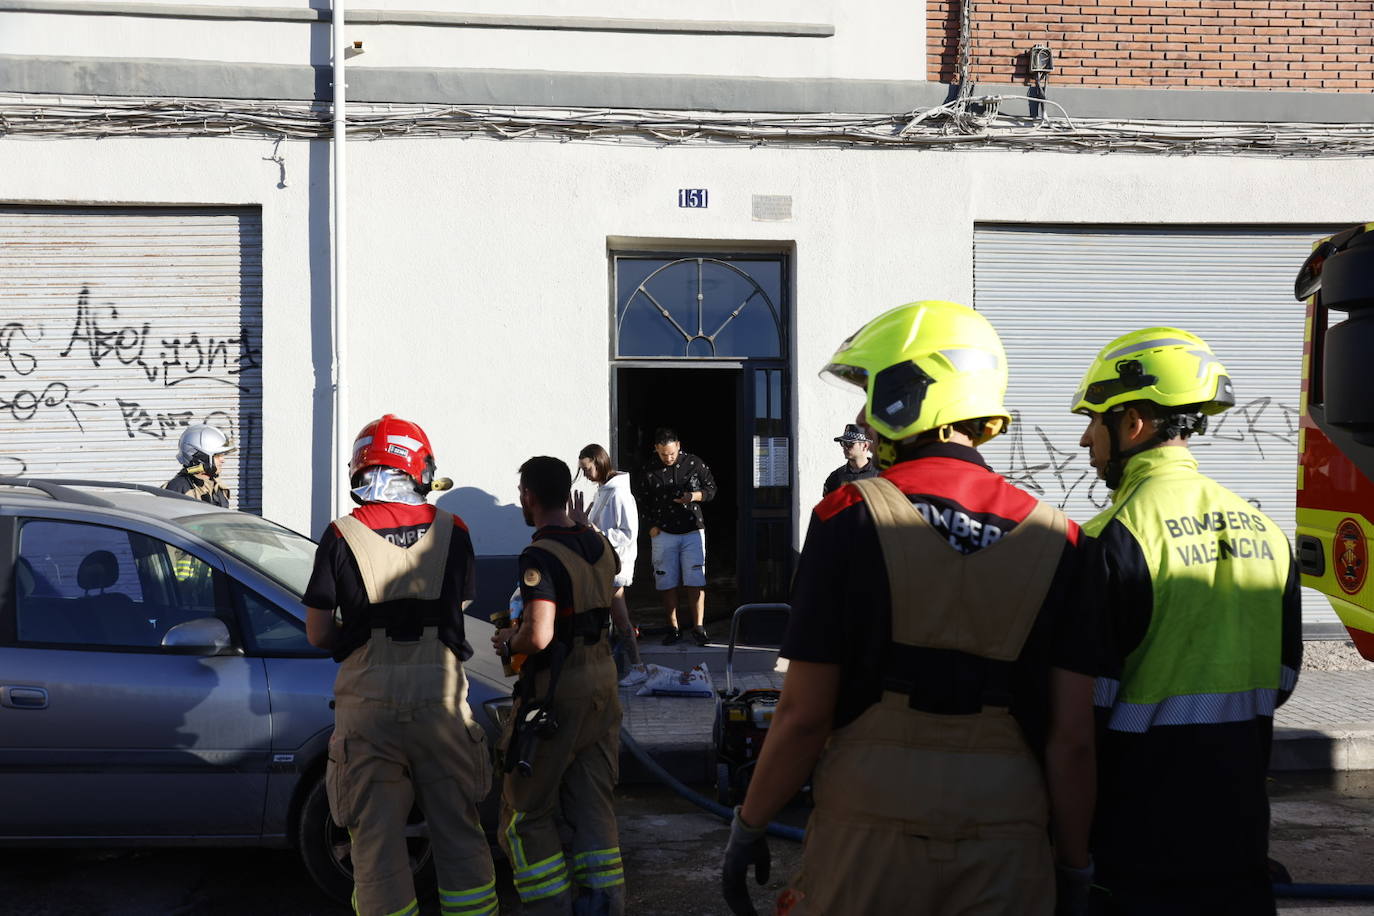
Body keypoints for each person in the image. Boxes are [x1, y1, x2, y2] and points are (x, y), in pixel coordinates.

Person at [721, 300, 1097, 916]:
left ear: (912, 395)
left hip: (869, 831)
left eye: (873, 393)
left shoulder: (845, 518)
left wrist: (750, 823)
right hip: (1006, 831)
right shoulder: (1063, 540)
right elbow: (1072, 738)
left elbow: (803, 716)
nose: (865, 416)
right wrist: (1075, 865)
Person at [1070, 329, 1302, 915]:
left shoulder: (1105, 542)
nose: (1084, 439)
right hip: (1242, 852)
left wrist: (1067, 859)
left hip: (1135, 865)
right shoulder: (1267, 533)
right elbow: (1281, 680)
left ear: (1133, 425)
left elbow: (1074, 727)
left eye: (1095, 422)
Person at [302, 414, 496, 916]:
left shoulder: (341, 535)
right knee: (459, 832)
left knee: (376, 847)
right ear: (418, 468)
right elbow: (462, 604)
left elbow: (319, 632)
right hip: (443, 703)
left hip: (369, 710)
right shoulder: (455, 530)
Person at [491, 456, 625, 914]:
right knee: (593, 807)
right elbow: (614, 603)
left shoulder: (540, 555)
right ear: (568, 495)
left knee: (523, 815)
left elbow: (540, 634)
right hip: (603, 685)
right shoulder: (600, 544)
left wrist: (510, 639)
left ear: (528, 496)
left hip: (555, 693)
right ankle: (604, 905)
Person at [571, 443, 646, 686]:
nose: (585, 475)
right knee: (609, 617)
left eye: (587, 468)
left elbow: (628, 533)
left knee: (619, 617)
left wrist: (591, 527)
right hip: (601, 564)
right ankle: (615, 667)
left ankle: (636, 667)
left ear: (599, 461)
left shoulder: (620, 493)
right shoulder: (604, 490)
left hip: (614, 565)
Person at [634, 428, 717, 646]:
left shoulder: (693, 463)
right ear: (656, 449)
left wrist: (693, 496)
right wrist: (649, 526)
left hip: (692, 530)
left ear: (678, 445)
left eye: (671, 453)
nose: (668, 458)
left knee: (695, 578)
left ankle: (699, 627)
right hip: (662, 532)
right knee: (666, 581)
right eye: (663, 454)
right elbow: (640, 501)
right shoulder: (648, 469)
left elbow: (712, 489)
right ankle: (674, 627)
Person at [164, 423, 235, 507]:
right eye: (217, 455)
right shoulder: (178, 488)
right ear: (201, 457)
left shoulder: (216, 485)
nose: (222, 460)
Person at [821, 423, 878, 496]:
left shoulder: (880, 475)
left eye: (850, 443)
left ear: (865, 446)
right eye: (843, 443)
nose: (845, 447)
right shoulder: (835, 477)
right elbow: (827, 506)